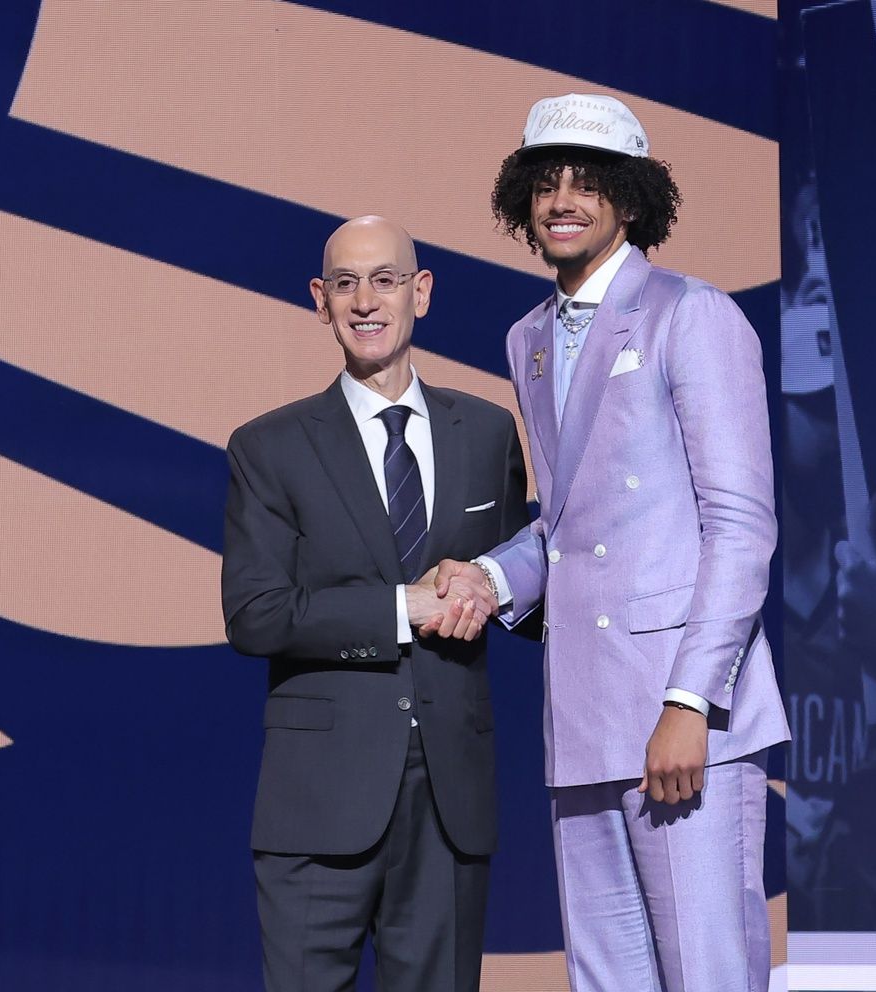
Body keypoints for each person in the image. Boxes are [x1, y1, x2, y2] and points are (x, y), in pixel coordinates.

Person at [433, 94, 790, 992]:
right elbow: (567, 525)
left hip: (681, 715)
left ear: (629, 200)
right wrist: (486, 578)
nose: (562, 201)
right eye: (544, 183)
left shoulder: (691, 314)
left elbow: (740, 527)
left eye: (587, 183)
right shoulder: (528, 338)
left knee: (707, 975)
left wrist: (689, 702)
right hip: (584, 719)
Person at [220, 216, 529, 992]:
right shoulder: (269, 446)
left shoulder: (487, 433)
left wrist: (494, 586)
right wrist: (403, 608)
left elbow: (520, 585)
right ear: (319, 300)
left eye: (385, 280)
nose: (366, 301)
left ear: (420, 292)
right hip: (317, 799)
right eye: (345, 284)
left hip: (450, 801)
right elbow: (257, 614)